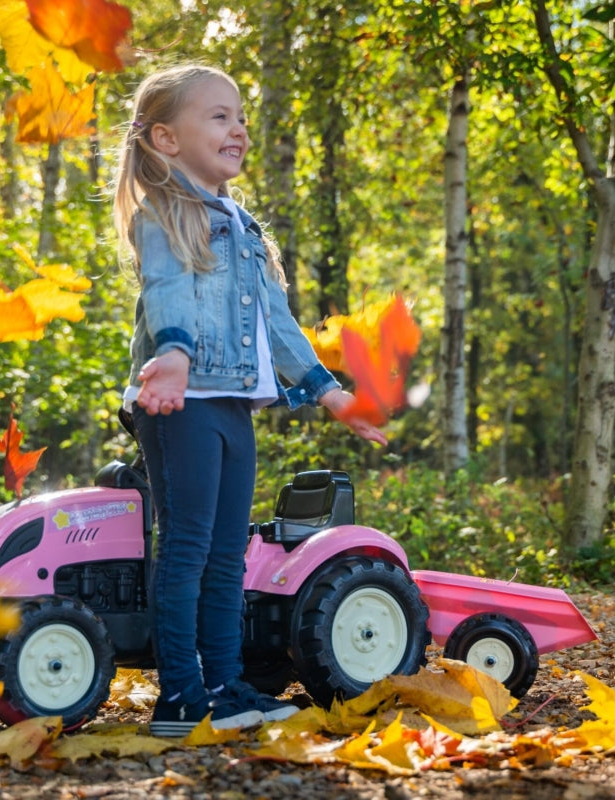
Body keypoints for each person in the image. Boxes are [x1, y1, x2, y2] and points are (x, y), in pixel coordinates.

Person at [113, 62, 387, 738]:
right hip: (181, 402)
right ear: (166, 139)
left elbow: (278, 322)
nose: (237, 128)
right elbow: (167, 293)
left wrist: (328, 392)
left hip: (234, 403)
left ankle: (227, 688)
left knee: (228, 553)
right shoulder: (166, 213)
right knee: (187, 547)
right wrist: (171, 356)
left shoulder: (243, 225)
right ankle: (181, 696)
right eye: (218, 116)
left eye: (240, 117)